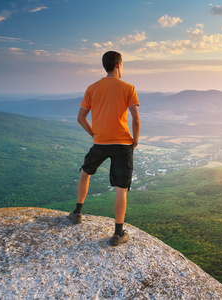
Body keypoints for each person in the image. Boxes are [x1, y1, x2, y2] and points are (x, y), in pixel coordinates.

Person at [68, 51, 141, 246]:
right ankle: (118, 234)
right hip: (123, 144)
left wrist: (94, 134)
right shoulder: (128, 88)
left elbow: (80, 118)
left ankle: (77, 214)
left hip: (100, 143)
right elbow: (135, 118)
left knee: (85, 173)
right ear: (118, 64)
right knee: (121, 189)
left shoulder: (92, 88)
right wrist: (135, 140)